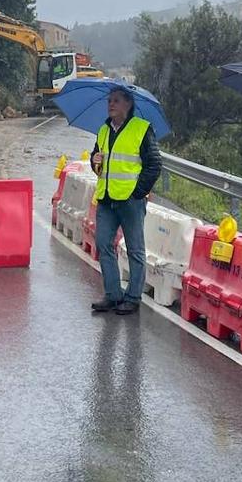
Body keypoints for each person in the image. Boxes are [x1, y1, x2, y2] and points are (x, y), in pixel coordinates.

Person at [89, 87, 162, 315]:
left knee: (135, 250)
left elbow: (154, 165)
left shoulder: (142, 129)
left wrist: (138, 193)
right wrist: (94, 160)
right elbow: (97, 162)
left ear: (128, 104)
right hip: (106, 197)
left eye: (116, 101)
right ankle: (112, 294)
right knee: (103, 244)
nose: (111, 104)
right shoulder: (103, 130)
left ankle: (132, 297)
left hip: (130, 201)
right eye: (109, 101)